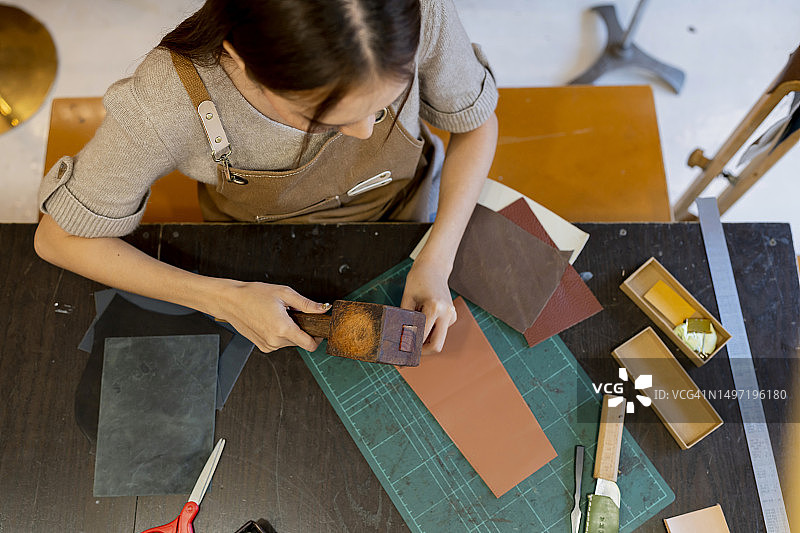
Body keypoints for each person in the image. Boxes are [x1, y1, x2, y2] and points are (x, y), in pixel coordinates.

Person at [34, 0, 498, 356]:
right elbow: (57, 240)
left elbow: (476, 125)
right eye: (327, 119)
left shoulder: (415, 13)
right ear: (239, 58)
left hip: (405, 216)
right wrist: (223, 298)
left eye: (383, 106)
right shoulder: (167, 100)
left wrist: (437, 259)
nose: (363, 133)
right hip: (255, 252)